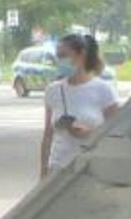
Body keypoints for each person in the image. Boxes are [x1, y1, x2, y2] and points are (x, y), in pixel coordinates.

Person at [40, 33, 121, 178]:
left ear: (81, 54)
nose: (60, 61)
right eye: (58, 56)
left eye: (64, 55)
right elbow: (48, 135)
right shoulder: (53, 90)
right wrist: (43, 171)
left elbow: (116, 132)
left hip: (91, 170)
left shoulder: (103, 90)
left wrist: (90, 134)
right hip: (58, 167)